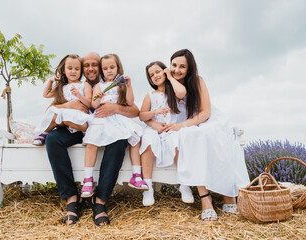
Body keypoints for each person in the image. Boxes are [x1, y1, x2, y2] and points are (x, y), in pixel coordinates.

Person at [45, 52, 140, 226]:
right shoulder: (71, 87)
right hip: (76, 129)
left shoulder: (113, 84)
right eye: (86, 65)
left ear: (101, 68)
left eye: (94, 65)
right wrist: (70, 105)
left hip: (104, 127)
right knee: (52, 139)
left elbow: (135, 111)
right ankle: (72, 198)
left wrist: (115, 108)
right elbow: (50, 109)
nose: (90, 68)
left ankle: (100, 201)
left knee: (119, 142)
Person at [162, 49, 250, 221]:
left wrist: (181, 125)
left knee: (211, 136)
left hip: (208, 119)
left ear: (189, 68)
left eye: (182, 67)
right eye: (174, 65)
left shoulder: (197, 81)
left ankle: (228, 195)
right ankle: (205, 198)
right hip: (188, 123)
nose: (177, 70)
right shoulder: (170, 85)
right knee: (189, 137)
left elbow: (205, 113)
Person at [82, 53, 147, 200]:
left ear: (118, 67)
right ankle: (87, 179)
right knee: (91, 143)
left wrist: (129, 86)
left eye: (112, 67)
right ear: (102, 71)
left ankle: (136, 175)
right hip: (101, 118)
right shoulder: (99, 85)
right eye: (105, 68)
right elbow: (94, 104)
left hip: (117, 118)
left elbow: (130, 103)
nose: (109, 70)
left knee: (136, 138)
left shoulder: (121, 85)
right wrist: (97, 96)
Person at [139, 61, 194, 206]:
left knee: (177, 141)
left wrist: (170, 77)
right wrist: (154, 118)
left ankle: (184, 184)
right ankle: (148, 187)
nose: (155, 76)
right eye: (151, 75)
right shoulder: (150, 95)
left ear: (164, 71)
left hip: (171, 128)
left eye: (158, 72)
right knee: (148, 141)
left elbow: (182, 92)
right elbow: (142, 116)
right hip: (153, 128)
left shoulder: (174, 92)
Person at [33, 54, 92, 145]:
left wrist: (79, 96)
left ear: (81, 71)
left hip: (78, 113)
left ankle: (86, 134)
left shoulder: (84, 85)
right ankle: (43, 133)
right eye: (70, 68)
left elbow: (89, 102)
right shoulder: (62, 87)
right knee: (52, 113)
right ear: (64, 70)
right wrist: (50, 81)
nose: (73, 71)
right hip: (64, 113)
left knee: (78, 119)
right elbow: (46, 94)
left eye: (77, 69)